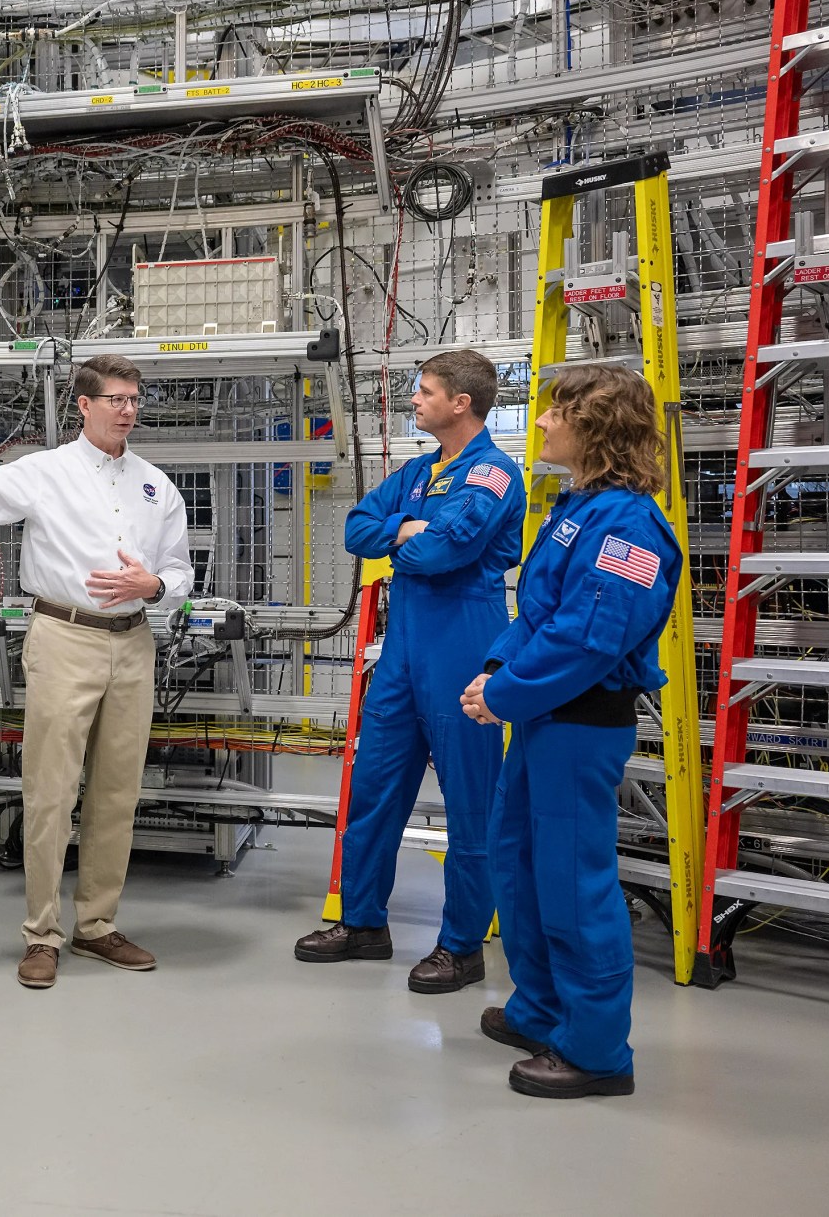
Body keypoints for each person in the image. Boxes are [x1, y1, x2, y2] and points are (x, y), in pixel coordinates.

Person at [0, 354, 193, 991]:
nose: (128, 410)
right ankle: (41, 934)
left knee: (117, 795)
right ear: (84, 404)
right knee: (50, 793)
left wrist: (155, 584)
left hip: (133, 643)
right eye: (116, 399)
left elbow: (181, 574)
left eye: (134, 399)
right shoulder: (46, 473)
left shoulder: (158, 486)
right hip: (64, 638)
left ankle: (97, 927)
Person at [460, 364, 681, 1099]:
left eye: (558, 411)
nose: (545, 422)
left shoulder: (630, 526)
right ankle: (541, 1008)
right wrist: (496, 671)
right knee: (519, 867)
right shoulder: (572, 510)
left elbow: (589, 639)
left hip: (580, 725)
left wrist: (508, 694)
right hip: (540, 717)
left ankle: (595, 1050)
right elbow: (536, 616)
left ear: (596, 427)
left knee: (571, 882)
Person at [295, 350, 524, 992]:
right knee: (374, 788)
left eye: (425, 393)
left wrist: (405, 541)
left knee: (471, 805)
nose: (414, 401)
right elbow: (356, 529)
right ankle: (363, 922)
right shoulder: (420, 471)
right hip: (405, 647)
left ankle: (461, 946)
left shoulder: (495, 474)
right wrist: (405, 529)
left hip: (464, 640)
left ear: (461, 403)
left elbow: (446, 550)